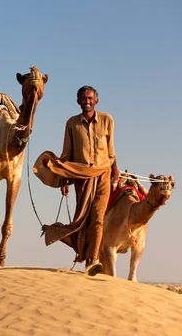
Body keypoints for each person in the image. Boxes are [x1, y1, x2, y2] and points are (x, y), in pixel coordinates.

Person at [33, 85, 119, 276]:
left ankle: (92, 261)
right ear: (78, 101)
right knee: (82, 220)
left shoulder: (107, 120)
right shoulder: (72, 123)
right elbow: (67, 155)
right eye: (83, 99)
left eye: (90, 98)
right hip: (81, 177)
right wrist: (64, 182)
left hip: (103, 173)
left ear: (96, 100)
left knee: (97, 217)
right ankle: (54, 231)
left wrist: (115, 171)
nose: (87, 102)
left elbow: (111, 151)